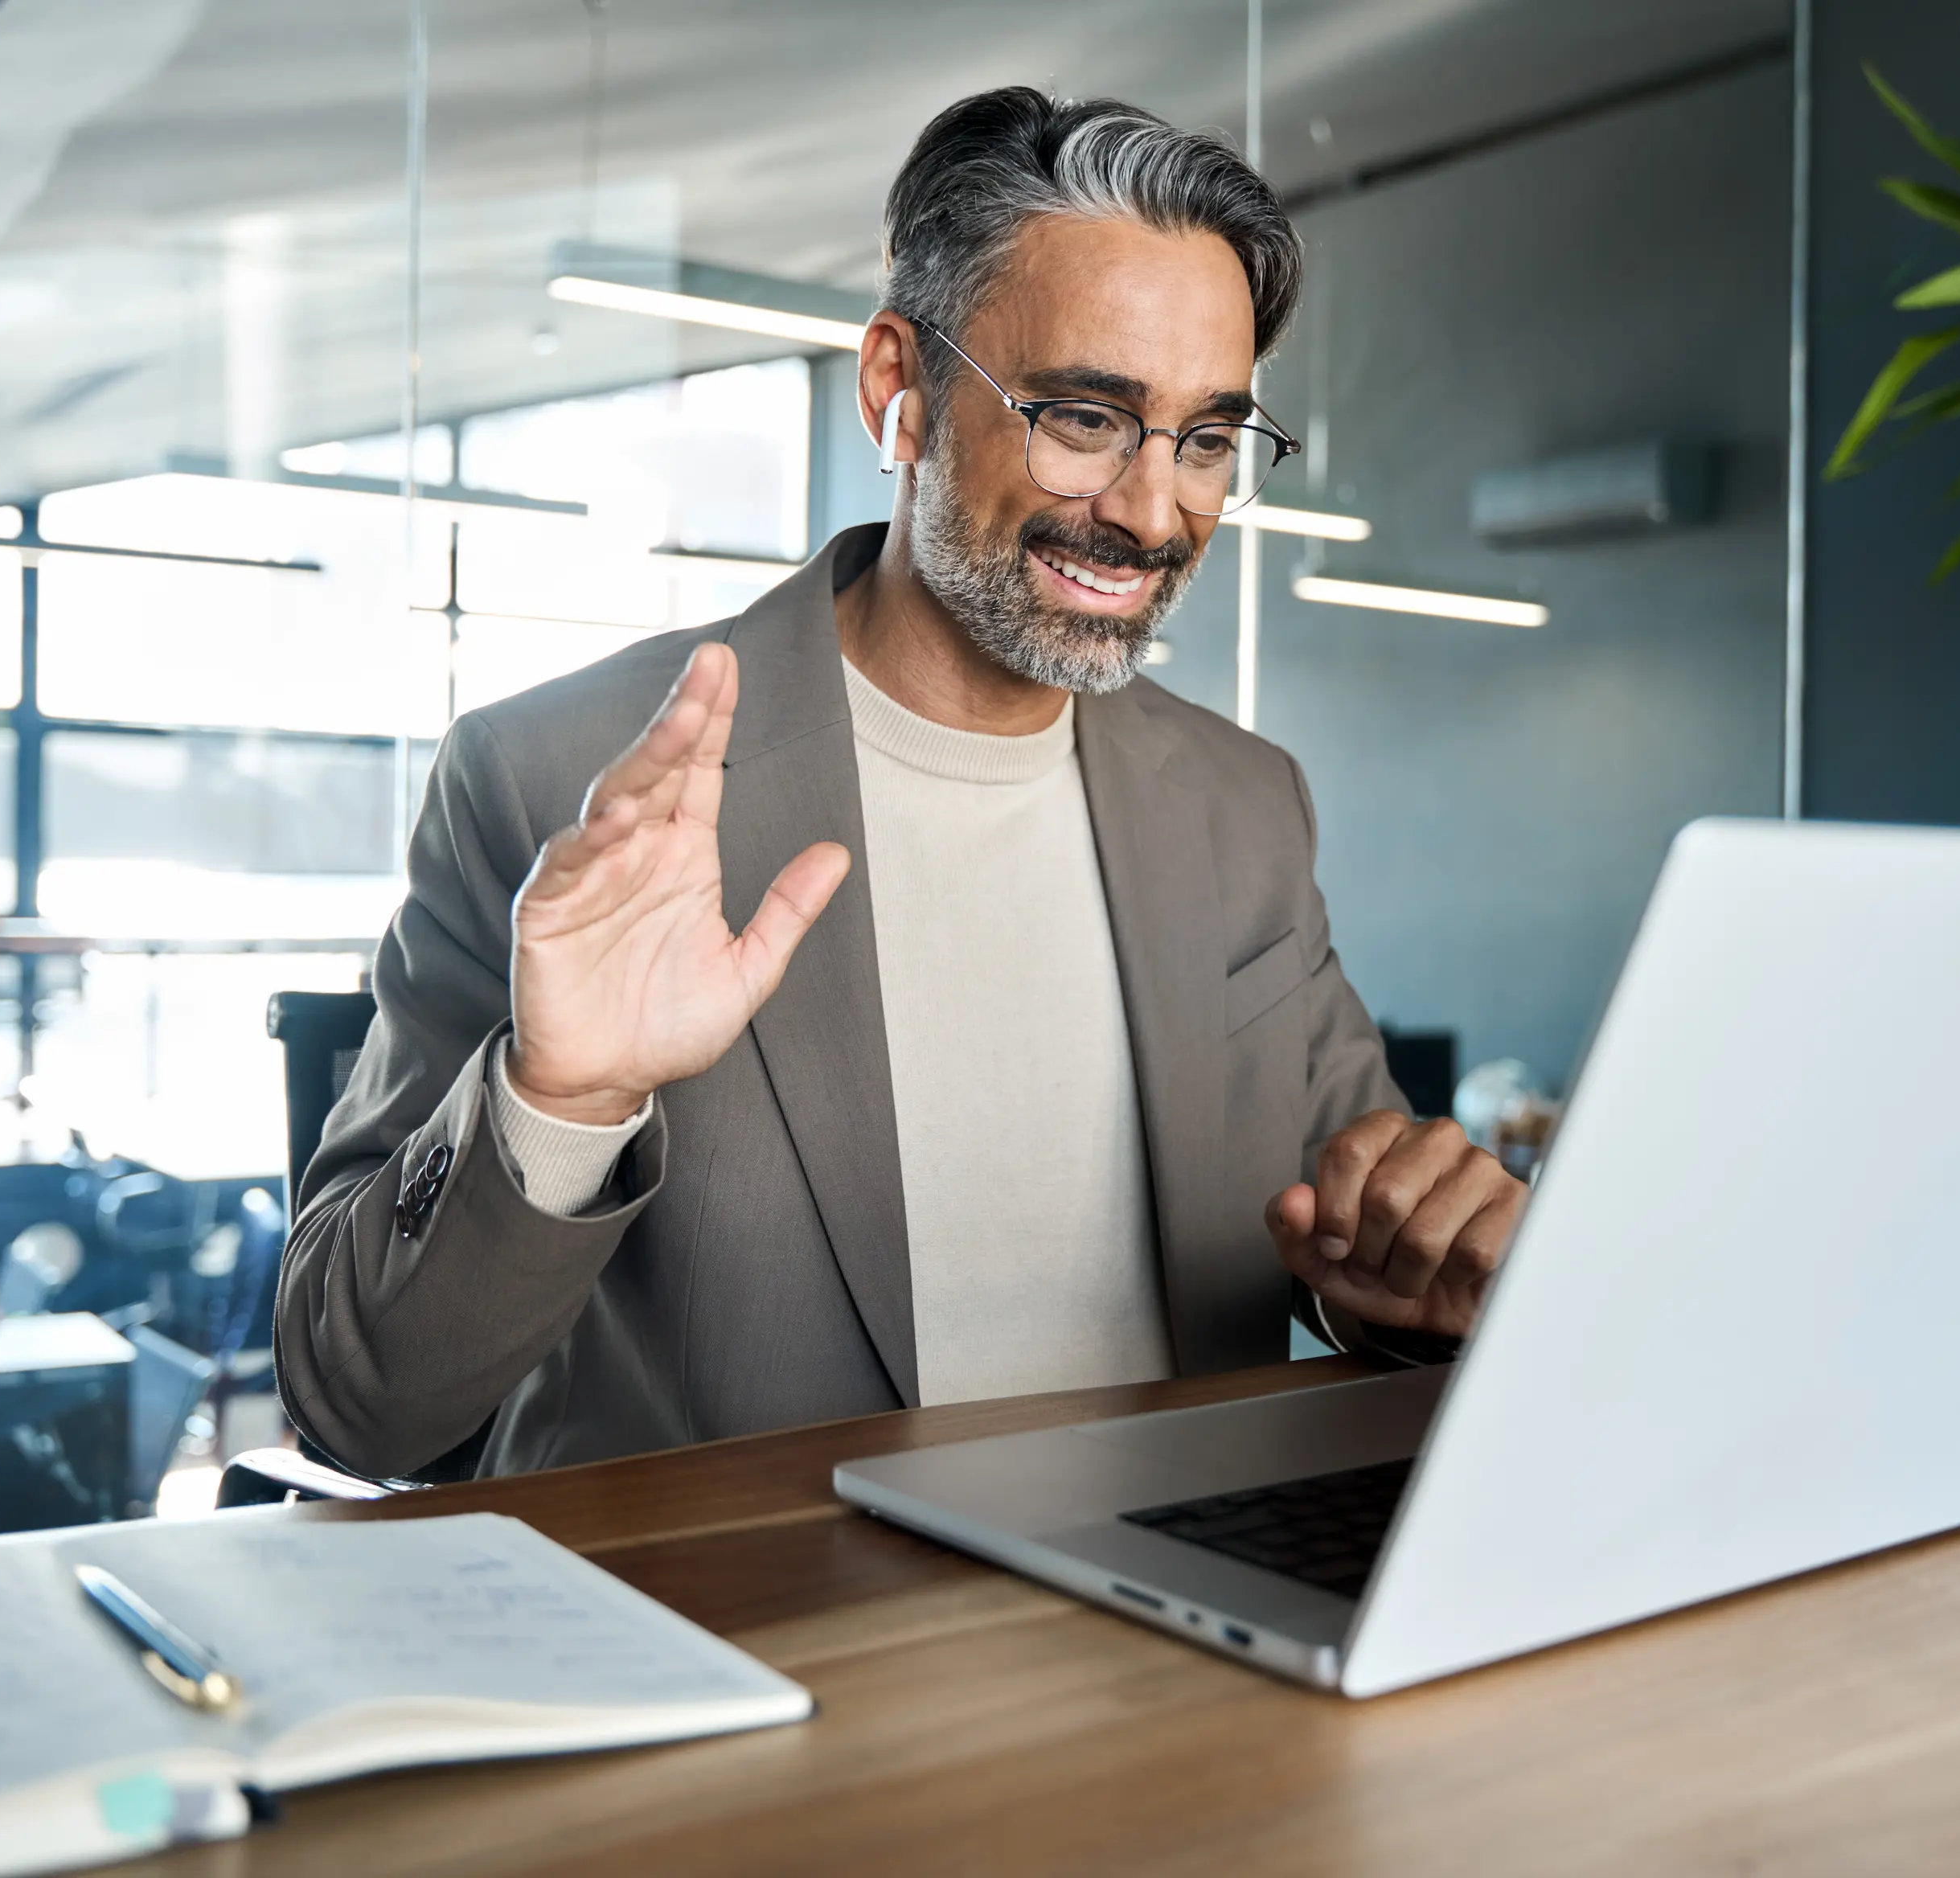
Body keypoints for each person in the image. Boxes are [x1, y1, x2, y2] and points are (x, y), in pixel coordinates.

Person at [275, 87, 1528, 1482]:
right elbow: (358, 1406)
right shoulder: (556, 779)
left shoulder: (1241, 808)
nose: (1156, 509)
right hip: (750, 1656)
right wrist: (558, 1104)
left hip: (1182, 1655)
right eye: (1085, 417)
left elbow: (1368, 1241)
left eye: (1208, 439)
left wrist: (1433, 1278)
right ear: (898, 390)